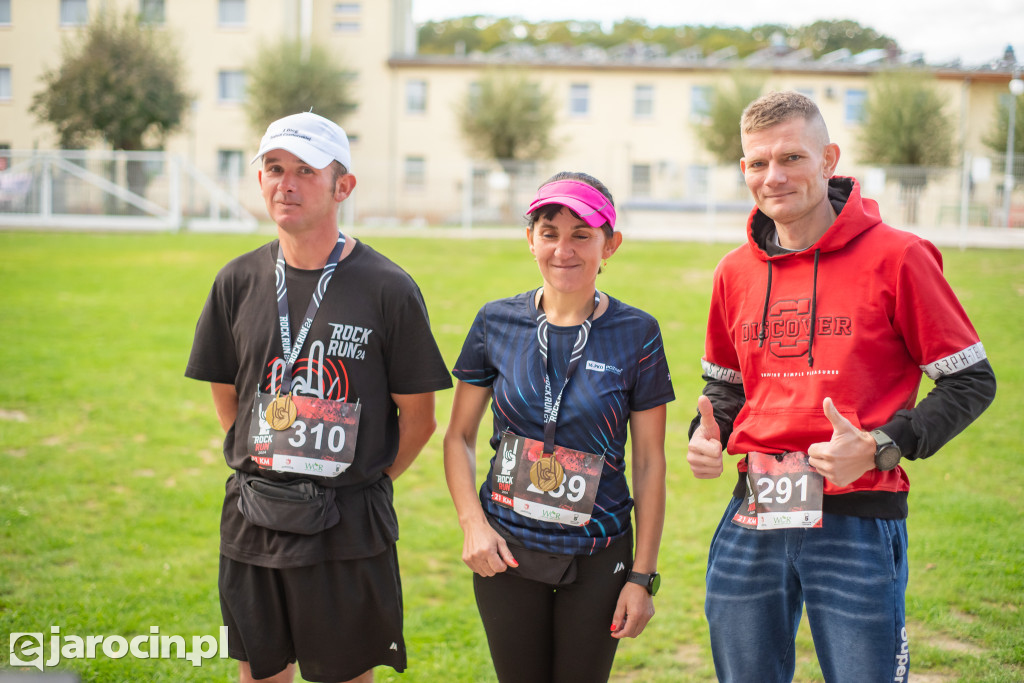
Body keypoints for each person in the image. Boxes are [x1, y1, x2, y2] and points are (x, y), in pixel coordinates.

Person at [686, 90, 996, 682]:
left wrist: (881, 444)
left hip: (857, 517)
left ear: (828, 158)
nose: (772, 176)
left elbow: (970, 381)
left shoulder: (900, 257)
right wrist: (711, 433)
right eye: (757, 163)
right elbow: (725, 388)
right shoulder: (735, 270)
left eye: (791, 158)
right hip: (755, 512)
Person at [185, 111, 452, 683]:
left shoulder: (388, 287)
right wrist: (271, 456)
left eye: (306, 170)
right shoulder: (237, 280)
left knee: (345, 675)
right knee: (259, 672)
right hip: (255, 516)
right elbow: (227, 395)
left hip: (348, 523)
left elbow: (420, 419)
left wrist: (365, 480)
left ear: (343, 186)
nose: (286, 183)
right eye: (275, 168)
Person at [444, 171, 675, 683]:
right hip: (505, 550)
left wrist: (642, 575)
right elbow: (458, 437)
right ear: (531, 240)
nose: (563, 249)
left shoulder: (638, 333)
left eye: (581, 234)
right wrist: (472, 526)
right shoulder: (495, 322)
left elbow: (649, 461)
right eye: (549, 233)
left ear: (609, 245)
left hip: (598, 552)